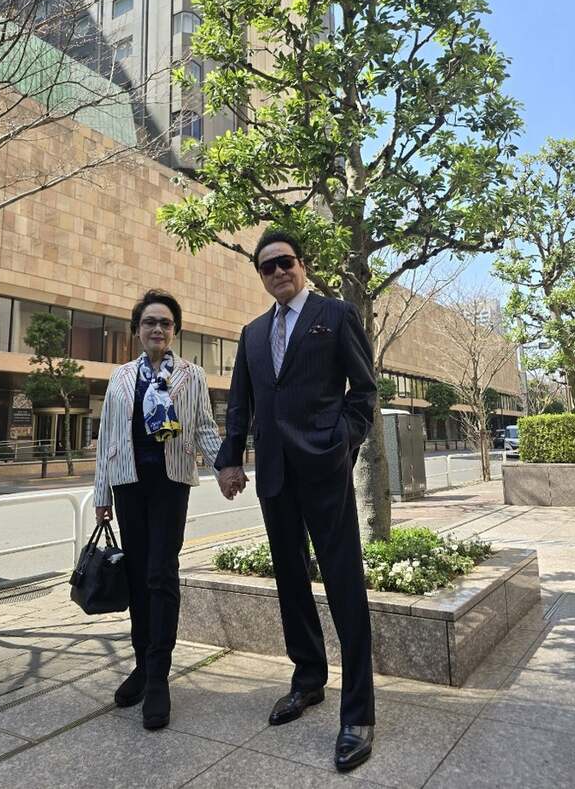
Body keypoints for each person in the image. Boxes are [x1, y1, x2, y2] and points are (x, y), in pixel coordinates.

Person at [216, 229, 377, 773]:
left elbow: (364, 392)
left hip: (325, 470)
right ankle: (308, 678)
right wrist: (230, 459)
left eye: (285, 262)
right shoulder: (252, 333)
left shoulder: (336, 315)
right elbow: (241, 404)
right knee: (290, 580)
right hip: (275, 475)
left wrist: (343, 443)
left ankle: (358, 713)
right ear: (261, 276)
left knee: (344, 584)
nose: (278, 272)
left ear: (302, 265)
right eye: (268, 267)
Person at [94, 289, 222, 730]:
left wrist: (226, 469)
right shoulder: (120, 377)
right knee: (136, 575)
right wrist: (101, 496)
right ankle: (142, 664)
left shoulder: (192, 375)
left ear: (175, 331)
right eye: (149, 322)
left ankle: (158, 675)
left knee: (160, 573)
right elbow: (107, 438)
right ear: (137, 330)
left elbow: (204, 428)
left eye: (165, 323)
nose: (157, 329)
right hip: (128, 483)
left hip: (170, 482)